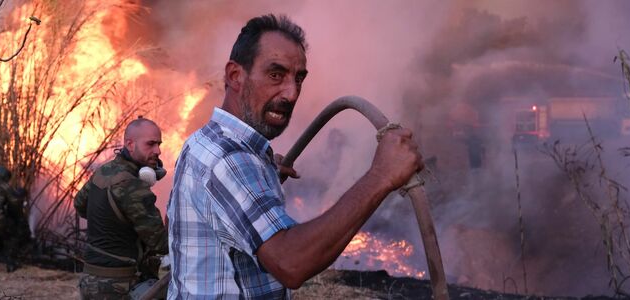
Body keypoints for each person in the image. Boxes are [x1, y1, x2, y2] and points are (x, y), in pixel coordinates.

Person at [167, 14, 423, 298]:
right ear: (235, 76)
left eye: (298, 78)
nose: (291, 93)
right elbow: (292, 263)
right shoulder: (229, 160)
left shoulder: (205, 142)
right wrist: (381, 176)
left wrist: (260, 174)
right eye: (275, 75)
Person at [74, 117, 169, 300]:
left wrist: (114, 223)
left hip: (89, 282)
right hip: (120, 286)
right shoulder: (133, 186)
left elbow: (80, 205)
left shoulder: (103, 172)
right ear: (130, 144)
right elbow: (161, 244)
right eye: (150, 144)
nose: (157, 151)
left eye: (158, 144)